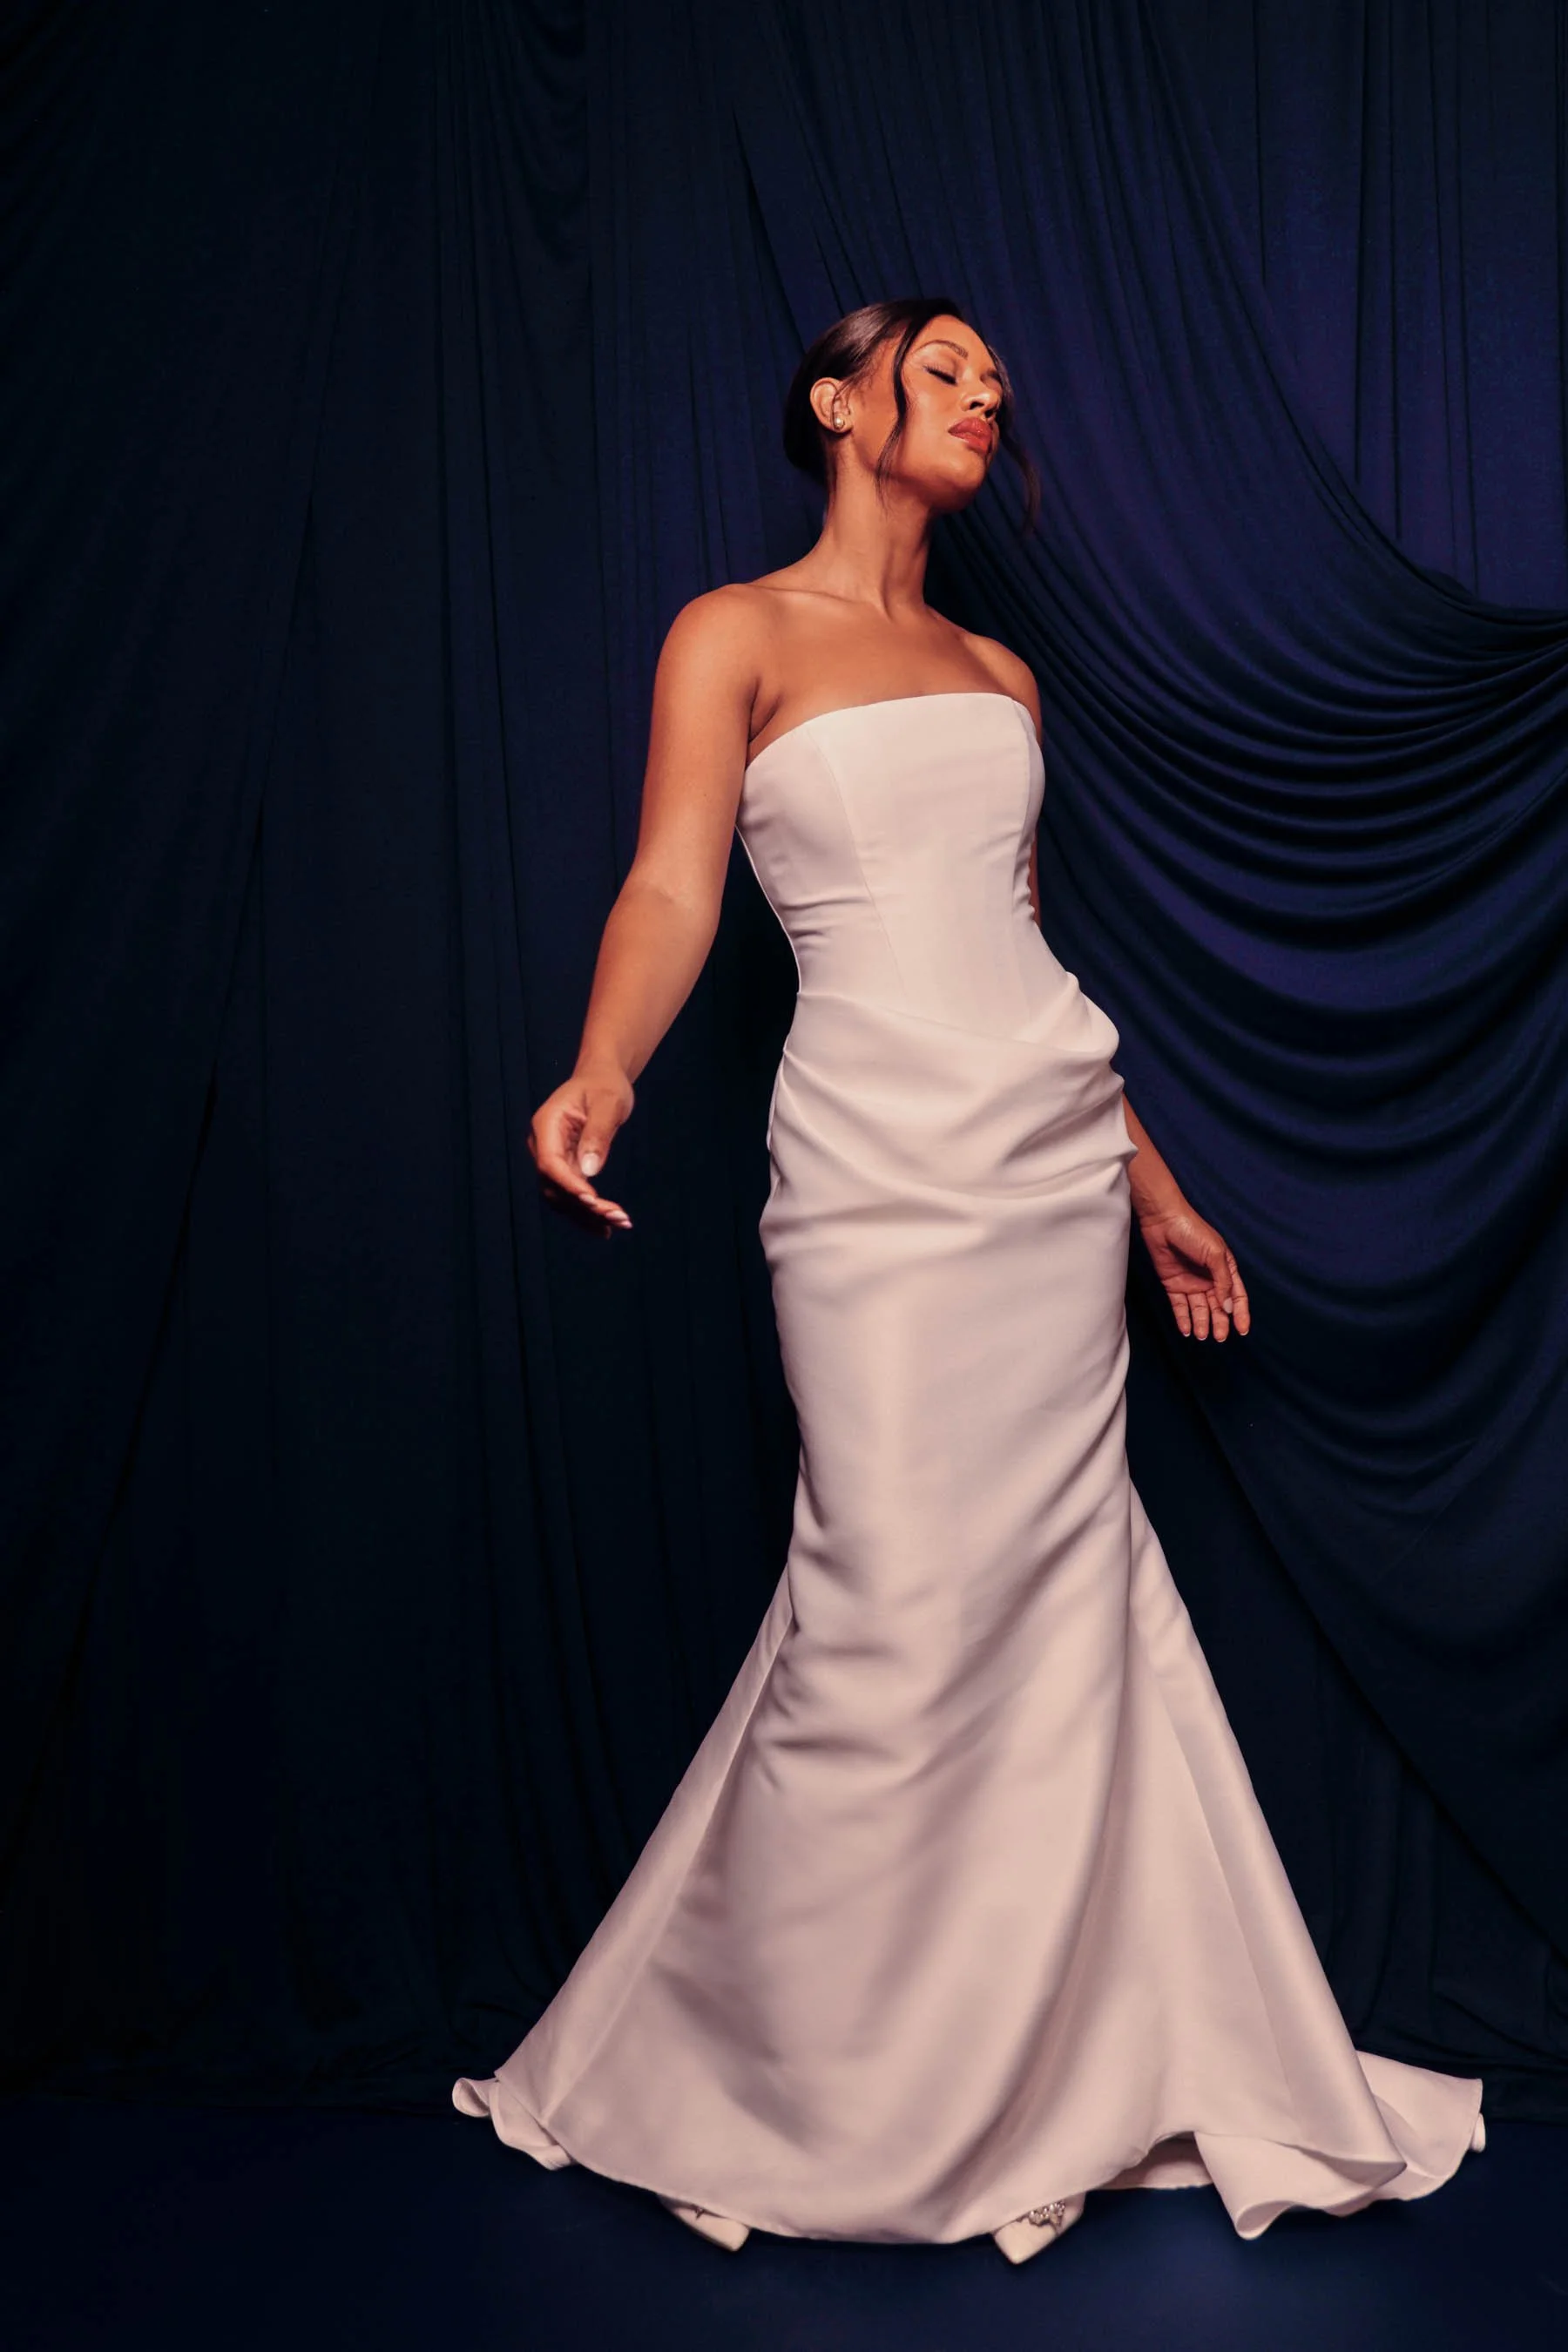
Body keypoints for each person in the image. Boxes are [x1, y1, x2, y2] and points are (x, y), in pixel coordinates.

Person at [455, 297, 1483, 2261]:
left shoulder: (1002, 674)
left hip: (1035, 1183)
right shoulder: (733, 635)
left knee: (1053, 1602)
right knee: (887, 1608)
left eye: (997, 385)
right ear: (842, 404)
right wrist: (604, 1067)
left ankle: (1051, 2059)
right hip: (867, 1174)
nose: (984, 397)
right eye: (947, 371)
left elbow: (1028, 971)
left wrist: (1150, 1187)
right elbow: (676, 884)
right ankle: (812, 2081)